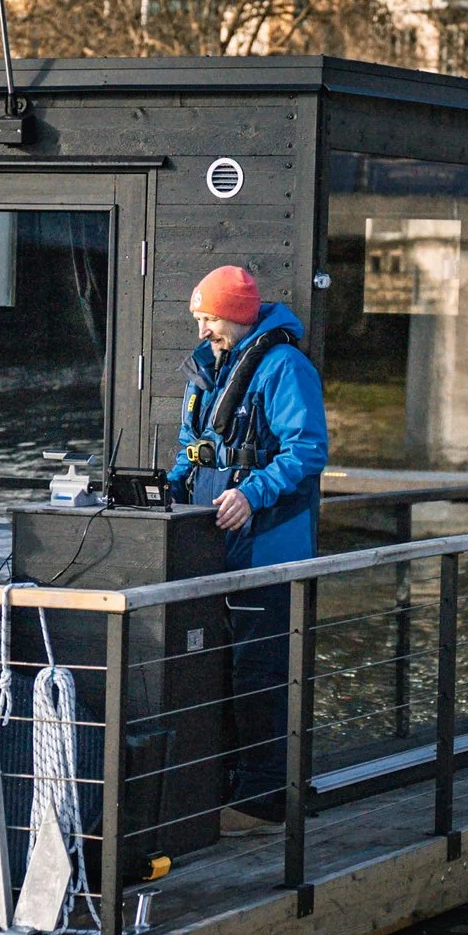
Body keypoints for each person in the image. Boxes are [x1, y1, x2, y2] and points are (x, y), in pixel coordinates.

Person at [167, 265, 328, 833]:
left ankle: (264, 802)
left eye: (209, 317)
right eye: (199, 318)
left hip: (268, 551)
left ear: (236, 313)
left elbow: (306, 450)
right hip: (213, 545)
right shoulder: (208, 368)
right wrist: (161, 492)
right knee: (217, 670)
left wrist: (252, 492)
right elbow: (194, 446)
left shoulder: (286, 367)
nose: (203, 328)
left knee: (261, 675)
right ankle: (222, 787)